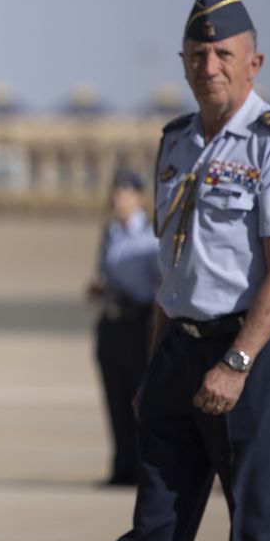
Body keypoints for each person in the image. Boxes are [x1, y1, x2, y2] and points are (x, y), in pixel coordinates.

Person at [74, 0, 270, 541]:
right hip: (178, 349)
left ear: (254, 62)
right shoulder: (175, 141)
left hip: (249, 353)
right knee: (151, 532)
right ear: (183, 61)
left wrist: (238, 361)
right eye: (198, 54)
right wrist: (153, 369)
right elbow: (174, 269)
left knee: (257, 536)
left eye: (224, 54)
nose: (210, 66)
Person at [85, 169, 160, 487]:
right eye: (115, 192)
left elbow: (159, 281)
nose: (118, 198)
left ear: (139, 197)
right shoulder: (111, 232)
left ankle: (146, 468)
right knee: (115, 394)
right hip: (111, 319)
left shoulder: (152, 235)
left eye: (125, 192)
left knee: (139, 394)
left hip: (138, 320)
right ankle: (123, 465)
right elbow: (103, 273)